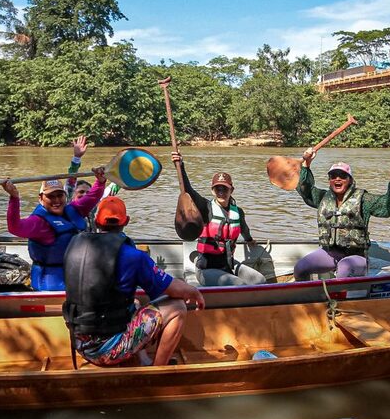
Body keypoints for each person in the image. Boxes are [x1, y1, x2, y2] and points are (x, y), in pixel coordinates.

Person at [63, 196, 205, 367]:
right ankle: (158, 371)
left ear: (96, 221)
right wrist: (194, 292)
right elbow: (174, 290)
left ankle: (142, 359)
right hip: (107, 351)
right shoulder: (134, 256)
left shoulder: (74, 245)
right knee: (177, 307)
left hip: (80, 343)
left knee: (135, 302)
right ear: (126, 221)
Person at [292, 151, 390, 281]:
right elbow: (304, 189)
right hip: (330, 253)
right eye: (333, 176)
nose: (337, 179)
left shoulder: (364, 199)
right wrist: (306, 165)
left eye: (342, 176)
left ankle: (340, 300)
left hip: (356, 256)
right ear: (329, 180)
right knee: (300, 268)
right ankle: (308, 298)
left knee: (344, 268)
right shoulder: (322, 198)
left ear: (350, 180)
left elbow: (386, 207)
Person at [1, 165, 106, 290]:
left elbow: (92, 197)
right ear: (41, 199)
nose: (56, 200)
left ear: (65, 196)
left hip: (75, 275)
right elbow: (15, 227)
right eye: (51, 196)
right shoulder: (38, 222)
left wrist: (100, 181)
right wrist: (14, 197)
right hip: (50, 283)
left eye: (59, 195)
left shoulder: (74, 209)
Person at [170, 151, 266, 286]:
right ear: (212, 191)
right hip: (206, 269)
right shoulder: (205, 208)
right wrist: (180, 165)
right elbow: (188, 190)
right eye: (217, 189)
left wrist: (249, 240)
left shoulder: (237, 212)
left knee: (260, 280)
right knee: (238, 285)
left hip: (227, 265)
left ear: (231, 190)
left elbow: (244, 229)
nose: (221, 192)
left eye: (225, 189)